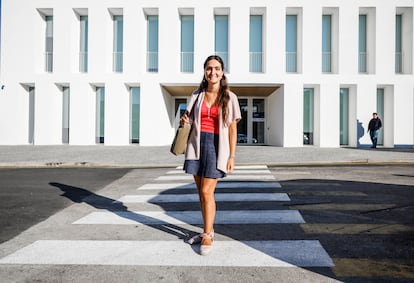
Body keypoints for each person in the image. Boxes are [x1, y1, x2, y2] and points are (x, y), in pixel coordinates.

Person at [180, 55, 241, 256]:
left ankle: (208, 234)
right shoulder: (197, 94)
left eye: (216, 68)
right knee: (201, 193)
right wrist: (183, 120)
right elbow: (188, 120)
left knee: (207, 192)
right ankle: (208, 228)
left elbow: (232, 129)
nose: (212, 72)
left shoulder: (230, 97)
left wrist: (232, 155)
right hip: (196, 145)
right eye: (209, 68)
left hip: (217, 145)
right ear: (204, 72)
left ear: (222, 72)